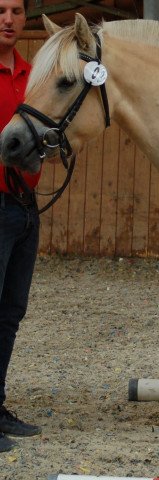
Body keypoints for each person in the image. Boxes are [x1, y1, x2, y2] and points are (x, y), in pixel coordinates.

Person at [0, 0, 43, 452]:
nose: (8, 19)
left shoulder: (34, 77)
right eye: (0, 10)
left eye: (15, 11)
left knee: (10, 313)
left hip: (25, 205)